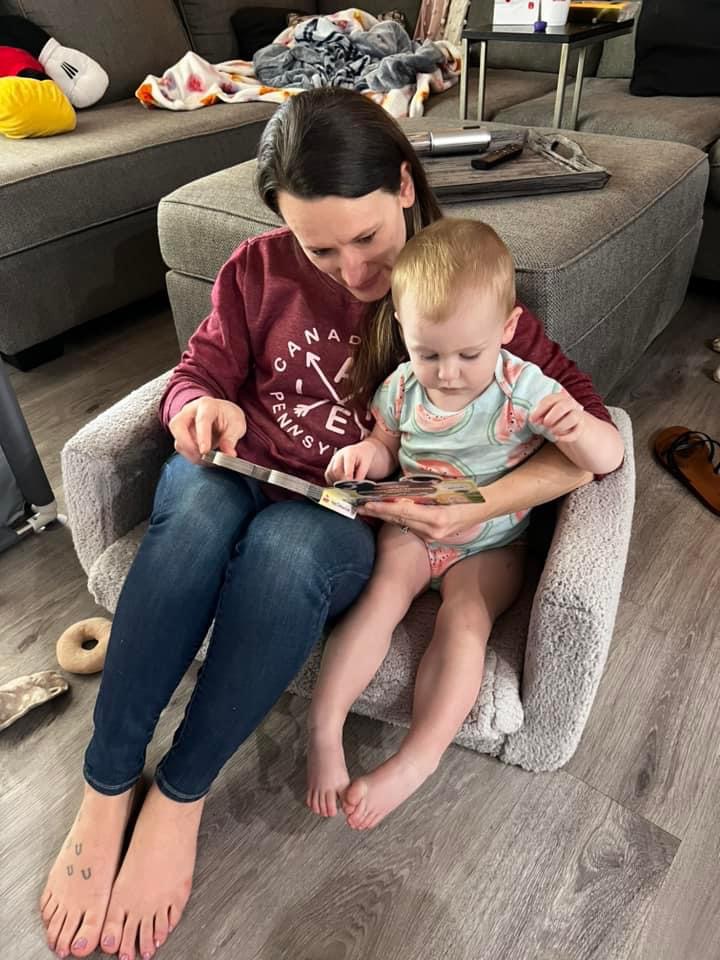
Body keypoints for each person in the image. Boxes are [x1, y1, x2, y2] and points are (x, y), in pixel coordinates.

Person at [39, 87, 615, 960]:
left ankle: (182, 793)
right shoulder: (256, 270)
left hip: (339, 516)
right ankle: (107, 781)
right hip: (243, 467)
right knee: (190, 519)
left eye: (368, 238)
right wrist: (198, 408)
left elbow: (592, 435)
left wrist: (475, 504)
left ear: (405, 187)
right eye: (320, 248)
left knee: (284, 555)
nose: (352, 270)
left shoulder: (455, 292)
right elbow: (197, 372)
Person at [306, 218, 624, 830]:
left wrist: (578, 428)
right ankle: (324, 726)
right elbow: (385, 444)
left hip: (493, 545)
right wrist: (364, 457)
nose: (447, 372)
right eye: (428, 353)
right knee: (380, 598)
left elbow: (607, 458)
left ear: (506, 329)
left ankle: (418, 759)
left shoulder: (522, 387)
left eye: (468, 355)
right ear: (402, 328)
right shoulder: (402, 387)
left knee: (466, 621)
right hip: (413, 528)